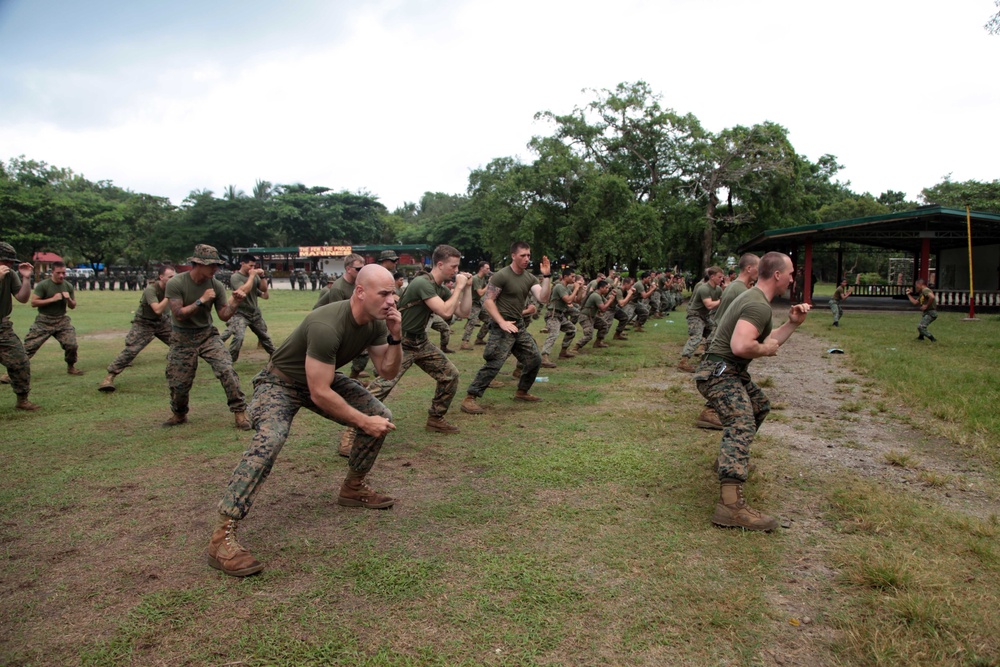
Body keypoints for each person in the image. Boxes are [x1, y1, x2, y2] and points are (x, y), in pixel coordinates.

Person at [208, 264, 402, 577]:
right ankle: (221, 537)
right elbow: (320, 393)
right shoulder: (327, 323)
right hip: (279, 383)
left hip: (319, 379)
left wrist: (395, 337)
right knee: (270, 439)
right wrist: (362, 423)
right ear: (361, 292)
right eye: (384, 293)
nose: (392, 300)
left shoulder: (378, 321)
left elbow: (388, 371)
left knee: (381, 415)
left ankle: (353, 488)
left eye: (393, 292)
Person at [695, 252, 810, 531]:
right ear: (778, 275)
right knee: (742, 421)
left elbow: (767, 340)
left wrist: (792, 324)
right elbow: (742, 346)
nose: (794, 278)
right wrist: (765, 350)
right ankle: (730, 507)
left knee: (759, 406)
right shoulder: (757, 304)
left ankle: (729, 460)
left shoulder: (756, 300)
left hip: (726, 371)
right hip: (720, 373)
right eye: (792, 273)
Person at [349, 244, 471, 443]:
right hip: (402, 343)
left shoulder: (438, 287)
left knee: (450, 375)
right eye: (453, 267)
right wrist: (458, 286)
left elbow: (463, 312)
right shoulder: (423, 283)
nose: (456, 271)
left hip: (420, 342)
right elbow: (445, 312)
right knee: (380, 388)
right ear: (440, 264)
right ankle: (351, 432)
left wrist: (467, 288)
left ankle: (435, 418)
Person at [163, 244, 250, 429]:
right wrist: (201, 300)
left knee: (226, 369)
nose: (215, 269)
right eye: (211, 265)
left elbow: (224, 315)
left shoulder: (216, 285)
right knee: (179, 383)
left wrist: (235, 303)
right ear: (198, 264)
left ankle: (240, 412)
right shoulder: (176, 283)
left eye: (216, 265)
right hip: (182, 337)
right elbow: (178, 314)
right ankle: (179, 414)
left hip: (206, 335)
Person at [461, 242, 551, 415]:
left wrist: (546, 277)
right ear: (513, 255)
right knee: (495, 362)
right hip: (501, 326)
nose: (526, 259)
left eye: (528, 255)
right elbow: (488, 301)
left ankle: (522, 391)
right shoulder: (501, 275)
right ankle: (470, 398)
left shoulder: (529, 278)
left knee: (534, 358)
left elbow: (543, 298)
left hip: (518, 325)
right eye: (523, 255)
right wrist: (502, 322)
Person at [696, 253, 759, 430]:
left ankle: (716, 410)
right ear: (748, 268)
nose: (759, 272)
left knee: (727, 377)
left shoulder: (735, 287)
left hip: (720, 336)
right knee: (723, 378)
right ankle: (710, 412)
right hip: (724, 340)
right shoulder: (739, 290)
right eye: (757, 267)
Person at [99, 265, 176, 392]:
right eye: (170, 277)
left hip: (163, 322)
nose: (174, 279)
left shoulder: (174, 288)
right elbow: (157, 309)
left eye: (175, 277)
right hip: (144, 323)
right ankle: (109, 377)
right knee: (132, 350)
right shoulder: (151, 290)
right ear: (161, 277)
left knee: (180, 343)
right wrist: (169, 296)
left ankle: (178, 372)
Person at [313, 254, 371, 379]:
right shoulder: (338, 288)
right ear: (348, 269)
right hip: (325, 321)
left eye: (363, 268)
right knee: (333, 355)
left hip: (348, 320)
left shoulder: (358, 284)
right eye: (358, 269)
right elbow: (336, 314)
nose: (362, 271)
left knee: (362, 350)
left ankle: (354, 377)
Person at [23, 261, 84, 376]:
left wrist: (69, 300)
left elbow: (73, 306)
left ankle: (71, 367)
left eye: (63, 273)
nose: (61, 275)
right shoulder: (43, 285)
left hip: (61, 320)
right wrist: (52, 299)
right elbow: (34, 302)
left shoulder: (68, 286)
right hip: (44, 321)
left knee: (71, 345)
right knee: (29, 347)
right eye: (58, 273)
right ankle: (12, 372)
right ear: (52, 272)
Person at [0, 242, 39, 410]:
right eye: (6, 261)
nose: (9, 265)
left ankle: (22, 400)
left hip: (3, 328)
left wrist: (26, 277)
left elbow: (22, 298)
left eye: (11, 262)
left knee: (20, 361)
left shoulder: (10, 274)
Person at [219, 254, 276, 363]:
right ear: (242, 263)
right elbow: (243, 291)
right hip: (240, 313)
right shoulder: (236, 277)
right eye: (250, 265)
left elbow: (264, 290)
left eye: (254, 266)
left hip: (254, 313)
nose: (252, 268)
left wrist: (262, 276)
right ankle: (230, 361)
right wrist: (252, 276)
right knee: (238, 337)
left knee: (265, 337)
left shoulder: (254, 276)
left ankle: (276, 357)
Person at [678, 267, 724, 372]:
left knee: (713, 335)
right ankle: (683, 362)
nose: (721, 279)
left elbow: (720, 303)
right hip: (695, 315)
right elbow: (709, 305)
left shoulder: (718, 289)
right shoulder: (704, 288)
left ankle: (707, 359)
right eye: (719, 277)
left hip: (705, 316)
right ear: (712, 277)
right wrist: (722, 300)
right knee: (696, 337)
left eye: (722, 277)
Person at [540, 269, 583, 367]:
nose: (574, 278)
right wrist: (576, 289)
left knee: (572, 330)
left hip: (560, 316)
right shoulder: (559, 286)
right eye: (572, 276)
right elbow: (568, 300)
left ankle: (563, 352)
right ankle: (544, 358)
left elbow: (577, 300)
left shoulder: (566, 288)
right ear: (565, 277)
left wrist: (580, 289)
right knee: (554, 334)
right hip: (552, 315)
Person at [574, 279, 614, 351]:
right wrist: (611, 300)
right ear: (601, 288)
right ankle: (575, 348)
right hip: (585, 317)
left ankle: (598, 343)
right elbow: (603, 309)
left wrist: (612, 297)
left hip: (592, 317)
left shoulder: (599, 295)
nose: (607, 289)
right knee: (589, 335)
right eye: (606, 288)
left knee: (604, 325)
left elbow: (606, 303)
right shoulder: (596, 296)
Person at [460, 261, 491, 350]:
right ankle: (464, 343)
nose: (489, 270)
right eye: (487, 268)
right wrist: (489, 284)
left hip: (479, 303)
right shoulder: (476, 278)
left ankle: (479, 338)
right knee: (472, 322)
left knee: (489, 320)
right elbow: (480, 292)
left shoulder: (483, 278)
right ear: (481, 268)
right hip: (473, 303)